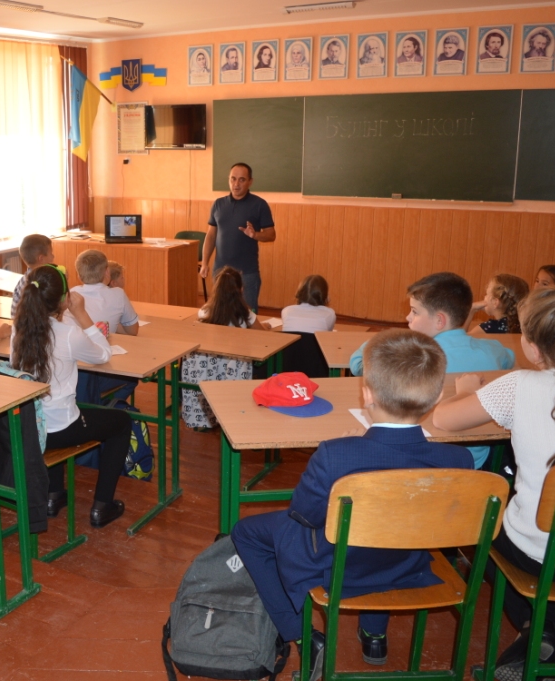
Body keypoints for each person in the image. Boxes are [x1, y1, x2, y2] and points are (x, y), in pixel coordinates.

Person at [234, 329, 474, 672]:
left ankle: (300, 634)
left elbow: (303, 515)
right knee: (389, 527)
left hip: (336, 566)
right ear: (436, 397)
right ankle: (374, 634)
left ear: (367, 393)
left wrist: (343, 456)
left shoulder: (336, 454)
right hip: (405, 563)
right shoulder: (460, 461)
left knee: (245, 532)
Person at [433, 287, 555, 678]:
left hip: (538, 555)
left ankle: (540, 628)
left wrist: (466, 391)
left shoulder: (520, 385)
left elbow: (443, 420)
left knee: (477, 530)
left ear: (534, 349)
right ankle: (550, 630)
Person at [349, 272, 514, 468]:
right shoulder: (494, 350)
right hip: (474, 461)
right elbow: (510, 359)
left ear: (439, 321)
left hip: (419, 459)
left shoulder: (411, 359)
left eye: (415, 312)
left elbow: (358, 366)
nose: (408, 317)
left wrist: (374, 342)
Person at [10, 264, 132, 528]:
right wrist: (81, 314)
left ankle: (54, 495)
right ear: (65, 299)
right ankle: (102, 505)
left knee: (51, 412)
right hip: (59, 429)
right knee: (121, 423)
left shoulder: (18, 328)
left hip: (29, 426)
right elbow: (103, 354)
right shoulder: (68, 334)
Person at [181, 267, 256, 430]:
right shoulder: (246, 314)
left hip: (207, 368)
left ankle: (204, 420)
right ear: (241, 290)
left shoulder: (204, 312)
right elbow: (264, 334)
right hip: (232, 368)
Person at [201, 162, 276, 312]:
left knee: (248, 315)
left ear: (250, 182)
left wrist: (255, 234)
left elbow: (271, 235)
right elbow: (211, 236)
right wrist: (204, 263)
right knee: (220, 314)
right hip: (220, 273)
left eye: (242, 180)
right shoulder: (218, 204)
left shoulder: (259, 205)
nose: (236, 184)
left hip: (247, 273)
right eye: (233, 179)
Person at [71, 250, 138, 337]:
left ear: (79, 276)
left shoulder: (71, 293)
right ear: (107, 272)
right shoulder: (118, 294)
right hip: (104, 343)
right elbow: (133, 331)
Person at [465, 274, 529, 334]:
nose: (484, 297)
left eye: (486, 294)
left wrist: (471, 309)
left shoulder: (488, 328)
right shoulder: (526, 327)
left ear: (495, 302)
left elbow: (460, 339)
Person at [11, 234, 54, 316]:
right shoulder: (40, 283)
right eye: (51, 253)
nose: (53, 257)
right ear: (41, 259)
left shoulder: (23, 280)